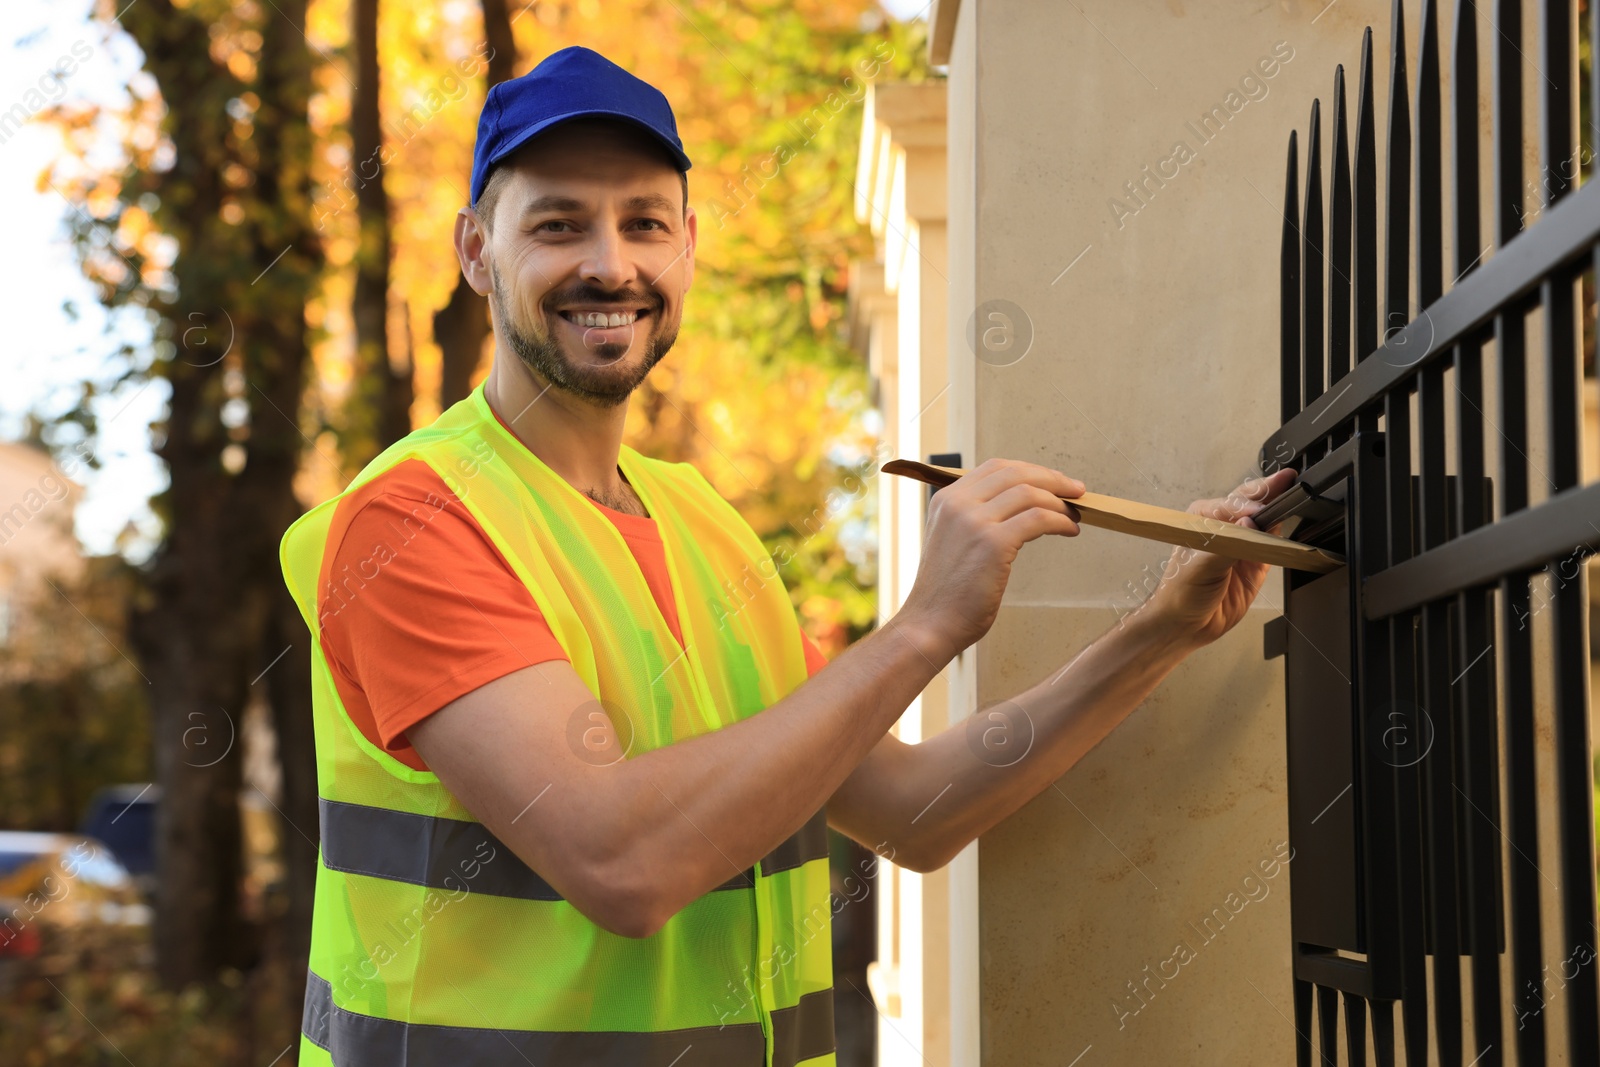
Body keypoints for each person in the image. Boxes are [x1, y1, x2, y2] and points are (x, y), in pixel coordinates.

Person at [279, 45, 1298, 1067]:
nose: (609, 264)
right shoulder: (412, 523)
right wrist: (925, 623)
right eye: (556, 224)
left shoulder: (703, 526)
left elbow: (911, 809)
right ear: (473, 250)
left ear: (687, 245)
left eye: (644, 222)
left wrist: (1163, 630)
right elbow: (620, 860)